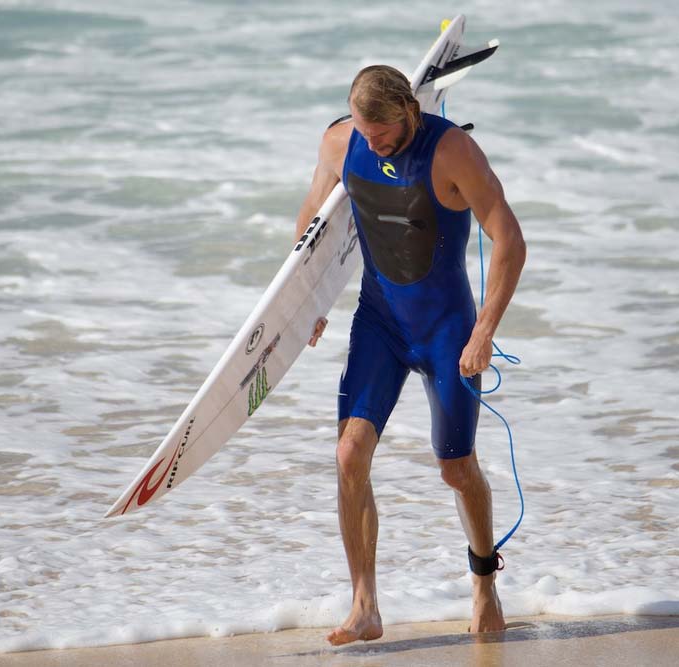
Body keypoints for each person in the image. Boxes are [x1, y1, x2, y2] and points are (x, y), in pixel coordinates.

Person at [295, 65, 526, 646]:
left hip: (449, 328)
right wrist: (308, 300)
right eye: (366, 135)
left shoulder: (453, 151)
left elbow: (510, 239)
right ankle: (365, 606)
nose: (374, 145)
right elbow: (312, 225)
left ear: (409, 110)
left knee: (456, 467)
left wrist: (484, 332)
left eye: (384, 134)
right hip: (380, 322)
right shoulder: (340, 142)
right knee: (349, 454)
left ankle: (484, 584)